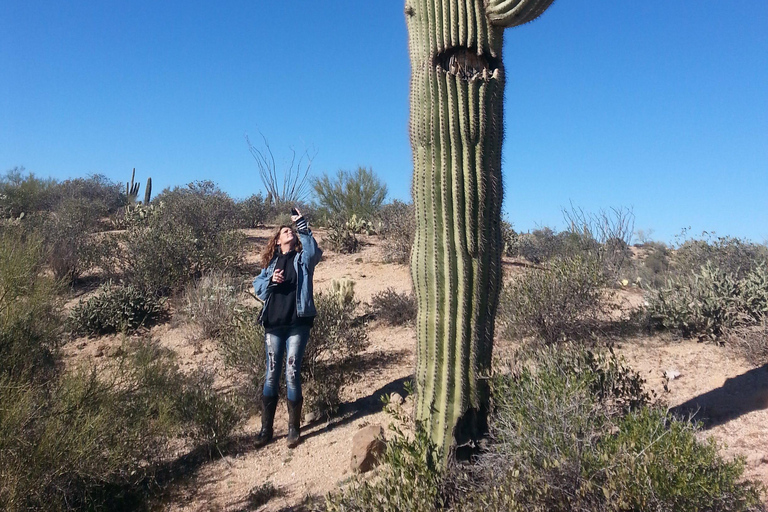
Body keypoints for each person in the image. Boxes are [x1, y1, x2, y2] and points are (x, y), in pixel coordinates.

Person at [252, 208, 322, 448]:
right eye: (285, 231)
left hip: (297, 323)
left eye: (290, 230)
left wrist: (301, 224)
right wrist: (271, 281)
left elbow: (313, 251)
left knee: (292, 373)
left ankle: (294, 429)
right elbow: (258, 287)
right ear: (278, 240)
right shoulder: (270, 266)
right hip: (273, 324)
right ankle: (266, 429)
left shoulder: (302, 260)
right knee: (271, 375)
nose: (288, 232)